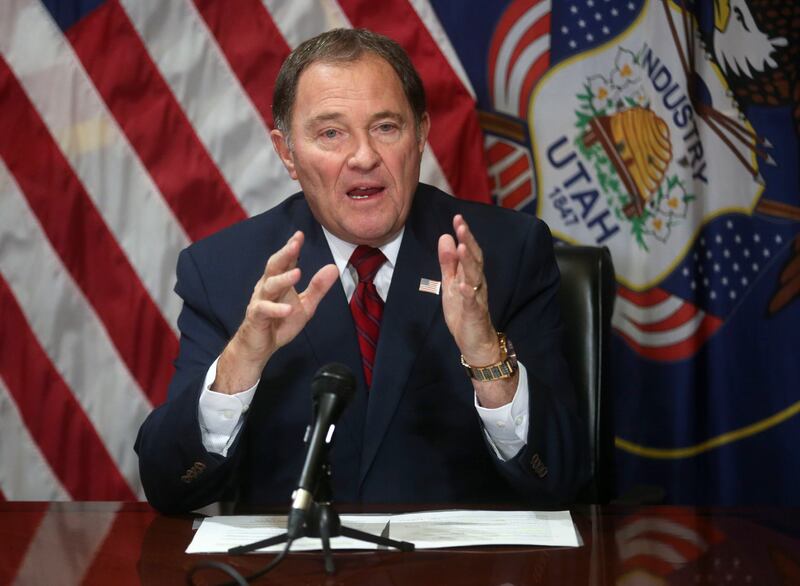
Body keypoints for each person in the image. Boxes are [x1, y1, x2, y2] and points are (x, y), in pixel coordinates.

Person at [135, 28, 586, 514]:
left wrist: (483, 352)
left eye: (386, 127)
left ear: (421, 135)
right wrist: (241, 362)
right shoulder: (224, 270)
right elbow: (170, 488)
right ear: (287, 153)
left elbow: (560, 477)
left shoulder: (505, 252)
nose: (364, 157)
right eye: (331, 133)